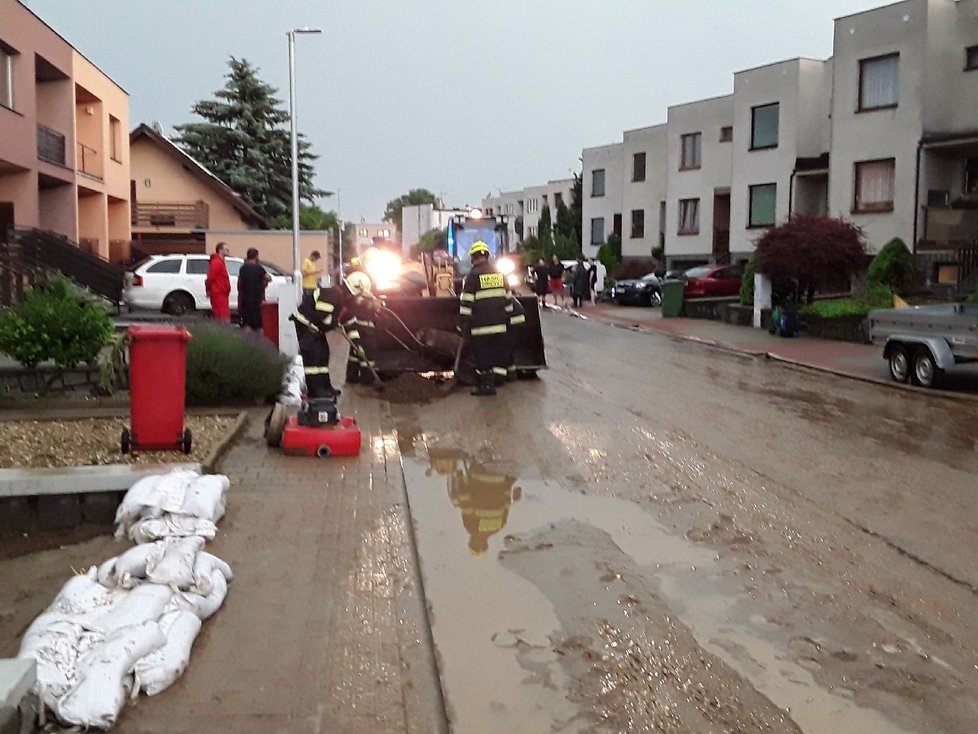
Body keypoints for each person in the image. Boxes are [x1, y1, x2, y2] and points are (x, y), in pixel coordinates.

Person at [458, 240, 518, 397]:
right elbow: (508, 300)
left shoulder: (472, 276)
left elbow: (467, 303)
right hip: (500, 325)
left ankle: (487, 386)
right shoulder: (500, 275)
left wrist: (463, 323)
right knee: (495, 354)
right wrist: (508, 320)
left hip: (481, 327)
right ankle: (497, 378)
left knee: (483, 357)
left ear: (473, 258)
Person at [290, 277, 365, 399]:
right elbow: (322, 314)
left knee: (323, 354)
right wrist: (334, 324)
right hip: (306, 324)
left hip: (315, 328)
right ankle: (315, 390)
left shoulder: (344, 303)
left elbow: (351, 326)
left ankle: (325, 386)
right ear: (352, 292)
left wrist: (357, 346)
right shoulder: (335, 294)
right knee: (314, 356)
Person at [342, 271, 380, 385]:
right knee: (368, 356)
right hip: (363, 332)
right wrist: (356, 341)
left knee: (354, 355)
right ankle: (367, 380)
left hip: (360, 331)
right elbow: (350, 323)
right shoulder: (354, 302)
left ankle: (352, 376)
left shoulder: (353, 300)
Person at [237, 247, 271, 334]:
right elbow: (268, 278)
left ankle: (247, 342)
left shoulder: (243, 268)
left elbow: (240, 282)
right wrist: (264, 283)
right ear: (256, 256)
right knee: (258, 323)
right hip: (257, 298)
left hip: (246, 298)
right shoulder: (258, 268)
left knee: (247, 322)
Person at [205, 242, 231, 321]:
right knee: (222, 315)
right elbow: (211, 277)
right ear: (220, 250)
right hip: (218, 292)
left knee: (222, 314)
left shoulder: (219, 262)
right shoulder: (217, 262)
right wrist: (208, 289)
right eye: (226, 249)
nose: (228, 251)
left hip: (221, 292)